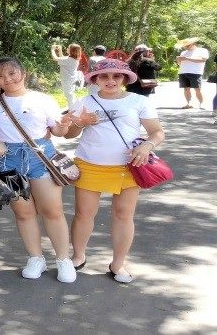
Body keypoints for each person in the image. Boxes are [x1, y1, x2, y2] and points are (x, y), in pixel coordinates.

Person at [67, 59, 165, 283]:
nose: (110, 81)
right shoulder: (85, 101)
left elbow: (157, 132)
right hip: (90, 164)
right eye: (104, 76)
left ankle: (118, 263)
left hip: (128, 166)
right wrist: (81, 123)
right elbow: (69, 135)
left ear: (124, 78)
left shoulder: (138, 101)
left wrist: (146, 146)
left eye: (116, 76)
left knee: (123, 215)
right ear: (95, 79)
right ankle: (78, 256)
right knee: (84, 214)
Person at [0, 57, 77, 283]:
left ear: (23, 73)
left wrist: (65, 124)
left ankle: (63, 260)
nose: (7, 79)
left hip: (40, 156)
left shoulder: (42, 99)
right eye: (0, 76)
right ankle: (35, 258)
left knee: (52, 210)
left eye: (12, 73)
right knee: (23, 213)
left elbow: (56, 130)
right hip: (8, 160)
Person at [175, 37, 209, 108]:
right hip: (183, 72)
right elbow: (180, 64)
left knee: (197, 89)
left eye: (187, 45)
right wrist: (178, 60)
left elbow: (203, 60)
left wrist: (187, 58)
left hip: (195, 72)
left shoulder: (202, 50)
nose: (185, 47)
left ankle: (201, 104)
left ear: (193, 44)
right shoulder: (183, 52)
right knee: (186, 89)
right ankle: (188, 103)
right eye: (184, 46)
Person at [51, 43, 83, 111]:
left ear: (72, 51)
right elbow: (62, 58)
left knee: (69, 95)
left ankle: (73, 110)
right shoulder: (73, 59)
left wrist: (52, 50)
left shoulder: (68, 60)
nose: (67, 49)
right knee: (70, 94)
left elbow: (55, 58)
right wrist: (60, 51)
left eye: (68, 48)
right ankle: (73, 107)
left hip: (67, 80)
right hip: (71, 79)